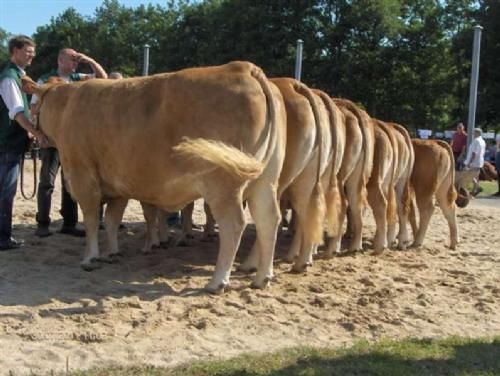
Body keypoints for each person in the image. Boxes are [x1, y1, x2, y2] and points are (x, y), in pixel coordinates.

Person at [31, 48, 108, 237]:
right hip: (51, 139)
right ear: (60, 60)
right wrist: (36, 132)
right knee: (47, 182)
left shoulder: (78, 78)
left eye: (76, 60)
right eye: (72, 60)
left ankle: (69, 223)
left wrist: (89, 60)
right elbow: (33, 107)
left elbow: (103, 78)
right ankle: (43, 223)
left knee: (70, 182)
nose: (75, 63)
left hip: (72, 141)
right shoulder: (45, 79)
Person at [0, 35, 49, 250]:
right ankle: (2, 238)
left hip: (11, 142)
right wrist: (36, 133)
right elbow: (18, 113)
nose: (32, 56)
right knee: (5, 191)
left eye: (33, 52)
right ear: (15, 50)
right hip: (7, 143)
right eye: (28, 51)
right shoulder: (10, 78)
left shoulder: (19, 76)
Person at [464, 127, 486, 196]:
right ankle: (474, 191)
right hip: (479, 161)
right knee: (475, 176)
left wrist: (469, 162)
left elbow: (474, 153)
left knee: (468, 174)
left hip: (474, 161)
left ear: (477, 133)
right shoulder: (483, 141)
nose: (473, 134)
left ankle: (477, 187)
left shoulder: (476, 141)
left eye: (474, 133)